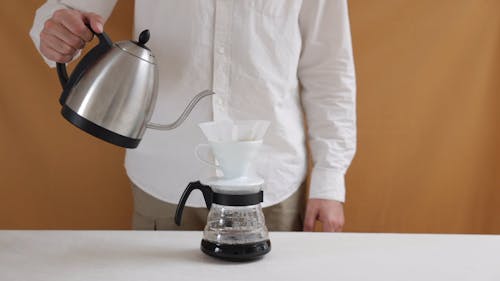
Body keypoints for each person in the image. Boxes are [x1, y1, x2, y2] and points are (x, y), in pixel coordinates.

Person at [30, 0, 356, 232]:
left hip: (271, 185)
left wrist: (329, 181)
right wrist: (57, 29)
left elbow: (330, 70)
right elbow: (64, 10)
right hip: (163, 184)